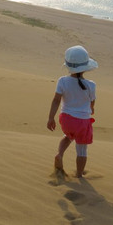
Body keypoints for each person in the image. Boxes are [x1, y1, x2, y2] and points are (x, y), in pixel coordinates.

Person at [47, 45, 98, 179]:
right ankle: (80, 175)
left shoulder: (62, 81)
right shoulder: (91, 85)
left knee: (68, 136)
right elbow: (92, 103)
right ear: (85, 67)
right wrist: (91, 109)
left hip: (66, 119)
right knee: (81, 149)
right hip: (82, 122)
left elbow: (56, 100)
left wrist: (51, 118)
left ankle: (60, 154)